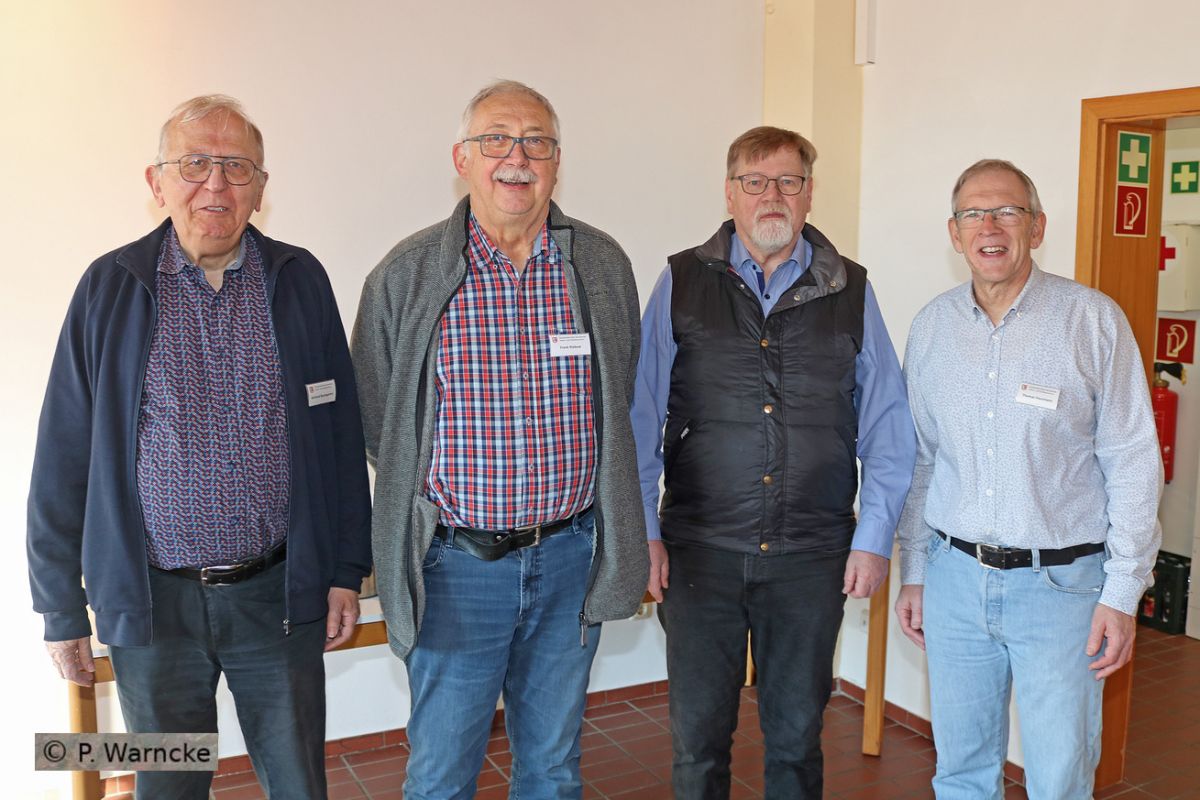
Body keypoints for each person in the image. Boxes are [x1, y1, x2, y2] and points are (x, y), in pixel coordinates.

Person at [27, 95, 372, 800]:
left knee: (297, 780)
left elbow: (340, 436)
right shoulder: (110, 288)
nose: (216, 183)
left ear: (260, 187)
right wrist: (60, 609)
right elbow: (63, 457)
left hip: (279, 596)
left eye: (237, 166)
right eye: (194, 164)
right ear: (155, 182)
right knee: (169, 781)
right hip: (153, 607)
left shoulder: (299, 280)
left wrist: (345, 568)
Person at [352, 79, 648, 800]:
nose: (517, 157)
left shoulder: (600, 266)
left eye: (536, 142)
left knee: (553, 768)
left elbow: (620, 394)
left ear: (557, 162)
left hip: (571, 560)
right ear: (462, 159)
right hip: (457, 571)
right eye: (495, 140)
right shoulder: (406, 274)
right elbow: (379, 418)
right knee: (441, 775)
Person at [631, 125, 916, 799]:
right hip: (701, 551)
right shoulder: (681, 281)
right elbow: (640, 417)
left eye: (789, 181)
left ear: (810, 194)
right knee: (698, 746)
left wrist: (874, 538)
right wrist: (645, 533)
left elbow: (889, 425)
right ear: (730, 193)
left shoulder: (851, 289)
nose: (772, 196)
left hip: (811, 557)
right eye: (755, 182)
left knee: (795, 743)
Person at [895, 159, 1163, 799]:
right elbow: (921, 460)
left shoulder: (1092, 321)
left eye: (1007, 211)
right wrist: (916, 571)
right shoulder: (931, 328)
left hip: (1063, 590)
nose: (989, 226)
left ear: (1037, 227)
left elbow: (1132, 459)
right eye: (972, 214)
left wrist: (1122, 592)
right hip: (954, 581)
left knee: (1059, 778)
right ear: (955, 234)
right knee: (960, 773)